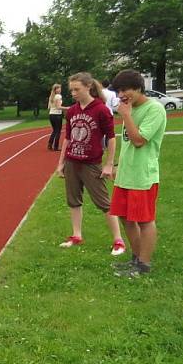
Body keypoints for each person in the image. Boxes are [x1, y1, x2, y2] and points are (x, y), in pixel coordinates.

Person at [55, 72, 126, 256]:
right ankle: (76, 235)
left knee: (104, 203)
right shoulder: (72, 111)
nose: (73, 93)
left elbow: (111, 138)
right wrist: (61, 163)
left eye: (76, 89)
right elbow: (68, 138)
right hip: (72, 161)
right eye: (71, 90)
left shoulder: (101, 109)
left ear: (88, 87)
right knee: (73, 200)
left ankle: (118, 240)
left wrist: (109, 164)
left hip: (91, 163)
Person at [108, 69, 167, 277]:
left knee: (144, 220)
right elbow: (126, 143)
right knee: (125, 217)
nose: (122, 95)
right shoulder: (129, 109)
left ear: (139, 88)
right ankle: (135, 257)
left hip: (142, 176)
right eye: (118, 91)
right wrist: (116, 166)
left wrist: (126, 115)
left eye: (125, 90)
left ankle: (144, 264)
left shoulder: (155, 110)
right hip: (126, 174)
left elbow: (139, 141)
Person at [47, 83, 67, 151]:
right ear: (55, 90)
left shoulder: (51, 96)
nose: (60, 89)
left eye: (60, 88)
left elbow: (49, 107)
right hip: (57, 115)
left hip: (51, 114)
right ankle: (56, 146)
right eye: (58, 88)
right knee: (58, 131)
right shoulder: (58, 96)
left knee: (54, 130)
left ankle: (50, 144)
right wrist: (68, 108)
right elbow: (58, 107)